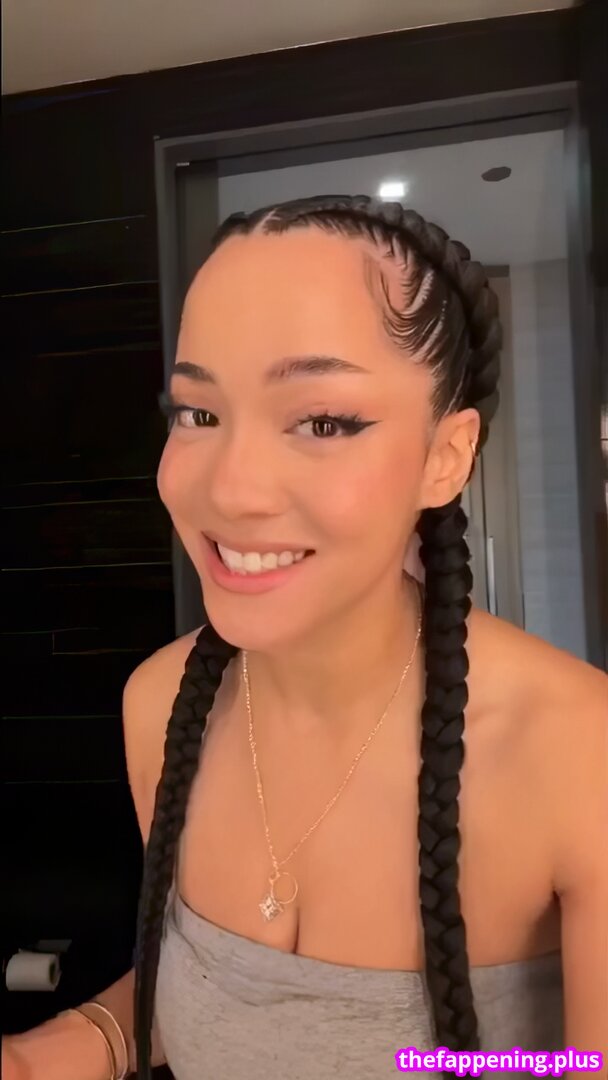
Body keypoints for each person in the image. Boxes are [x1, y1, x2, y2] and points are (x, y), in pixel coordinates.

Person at [3, 195, 606, 1080]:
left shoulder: (581, 753)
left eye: (322, 422)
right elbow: (222, 1005)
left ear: (447, 456)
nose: (231, 490)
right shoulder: (158, 706)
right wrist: (60, 1049)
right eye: (197, 413)